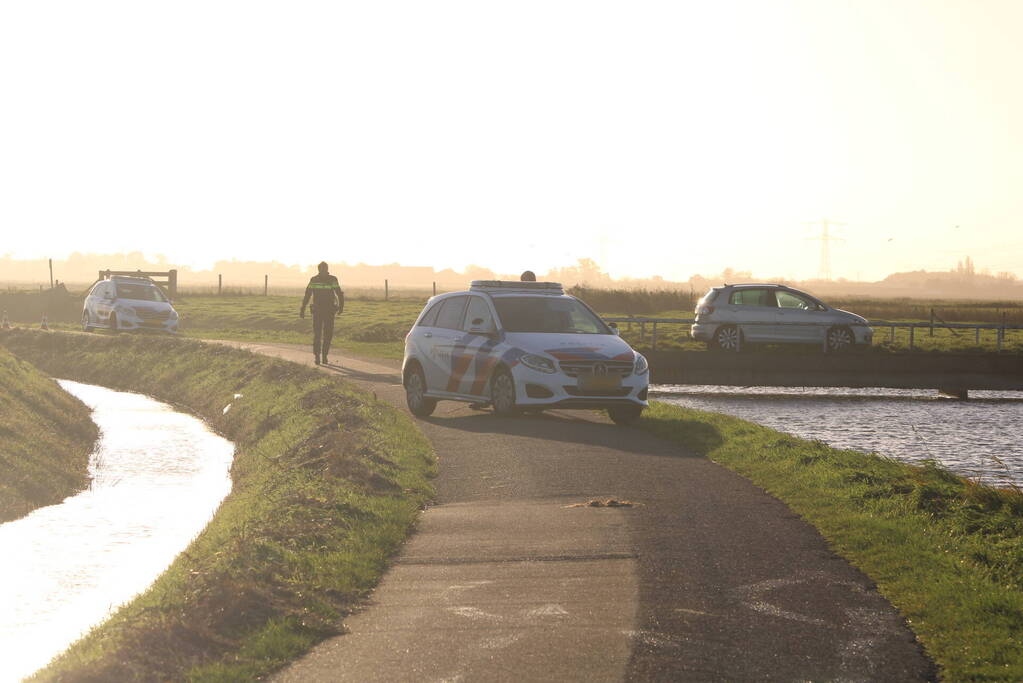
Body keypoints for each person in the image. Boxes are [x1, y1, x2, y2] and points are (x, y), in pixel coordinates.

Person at [300, 262, 344, 365]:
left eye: (323, 269)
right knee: (323, 334)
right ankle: (320, 356)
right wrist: (341, 306)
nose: (323, 271)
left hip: (322, 311)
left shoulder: (317, 279)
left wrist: (303, 308)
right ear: (320, 269)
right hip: (324, 311)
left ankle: (321, 356)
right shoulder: (329, 279)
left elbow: (307, 295)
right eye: (322, 269)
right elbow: (339, 294)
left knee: (321, 334)